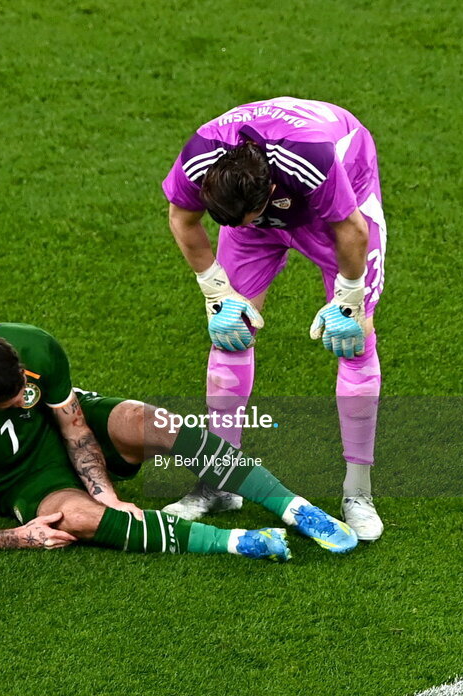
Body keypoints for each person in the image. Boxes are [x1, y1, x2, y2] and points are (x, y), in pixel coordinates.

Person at [0, 322, 358, 559]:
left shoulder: (32, 348)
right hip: (16, 481)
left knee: (148, 419)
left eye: (24, 391)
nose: (24, 401)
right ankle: (237, 542)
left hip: (62, 432)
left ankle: (294, 506)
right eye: (11, 402)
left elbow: (73, 425)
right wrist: (18, 537)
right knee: (79, 518)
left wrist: (108, 494)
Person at [161, 97, 386, 541]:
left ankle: (358, 492)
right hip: (259, 202)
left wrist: (349, 299)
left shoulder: (311, 159)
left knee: (354, 340)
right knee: (230, 332)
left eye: (247, 219)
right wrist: (216, 291)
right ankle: (221, 482)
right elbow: (182, 219)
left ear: (265, 196)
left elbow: (352, 229)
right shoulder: (199, 157)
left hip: (338, 211)